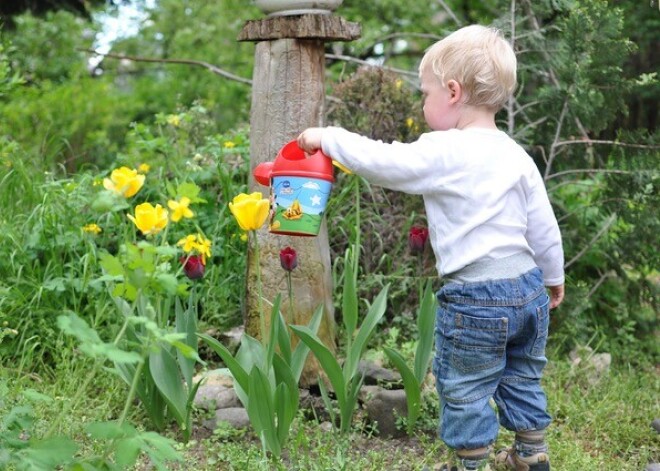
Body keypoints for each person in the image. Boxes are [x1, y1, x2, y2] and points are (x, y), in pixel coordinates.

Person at [297, 24, 564, 471]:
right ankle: (530, 452)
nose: (423, 104)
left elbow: (384, 162)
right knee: (522, 375)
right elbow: (544, 227)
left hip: (476, 297)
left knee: (465, 385)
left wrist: (327, 138)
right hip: (528, 288)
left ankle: (470, 464)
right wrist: (553, 277)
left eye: (426, 93)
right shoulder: (516, 154)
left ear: (453, 92)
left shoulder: (445, 150)